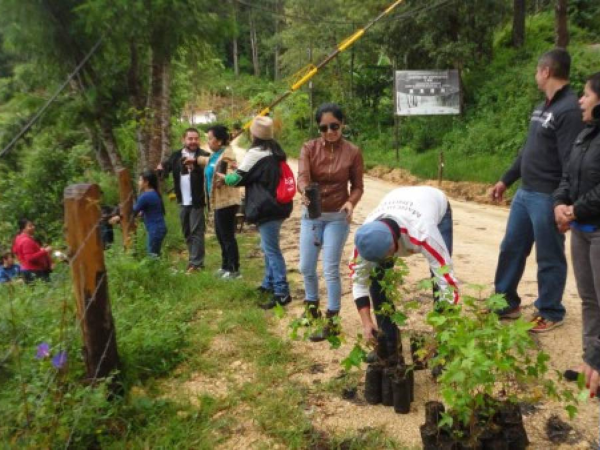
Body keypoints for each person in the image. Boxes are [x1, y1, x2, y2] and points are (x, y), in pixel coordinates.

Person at [489, 48, 585, 332]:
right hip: (525, 193)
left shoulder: (569, 110)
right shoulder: (543, 106)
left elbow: (572, 159)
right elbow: (529, 151)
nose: (535, 75)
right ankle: (505, 301)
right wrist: (506, 179)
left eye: (537, 71)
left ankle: (551, 310)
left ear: (546, 72)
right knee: (511, 247)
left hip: (547, 195)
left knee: (549, 255)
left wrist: (564, 201)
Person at [351, 186, 458, 363]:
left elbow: (446, 279)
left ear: (394, 245)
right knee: (377, 279)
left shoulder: (423, 232)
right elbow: (359, 282)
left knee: (438, 279)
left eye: (386, 256)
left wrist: (444, 327)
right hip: (396, 198)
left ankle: (443, 347)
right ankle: (389, 344)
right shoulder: (365, 239)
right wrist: (366, 322)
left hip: (434, 204)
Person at [297, 103, 364, 342]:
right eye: (323, 128)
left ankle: (332, 320)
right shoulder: (309, 148)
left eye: (334, 126)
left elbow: (357, 186)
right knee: (305, 267)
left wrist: (351, 203)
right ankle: (311, 307)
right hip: (312, 214)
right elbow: (303, 176)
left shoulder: (353, 152)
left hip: (337, 216)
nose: (329, 132)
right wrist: (304, 191)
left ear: (342, 124)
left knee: (330, 269)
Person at [553, 72, 600, 380]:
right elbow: (568, 176)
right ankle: (590, 362)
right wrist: (560, 203)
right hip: (580, 230)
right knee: (589, 299)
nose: (580, 100)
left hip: (595, 228)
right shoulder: (585, 135)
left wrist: (575, 210)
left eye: (586, 94)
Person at [218, 116, 293, 309]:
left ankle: (282, 292)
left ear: (254, 134)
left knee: (271, 249)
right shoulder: (274, 150)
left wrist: (224, 177)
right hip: (277, 205)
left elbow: (236, 180)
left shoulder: (256, 153)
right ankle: (268, 284)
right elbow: (256, 174)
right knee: (267, 246)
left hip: (266, 207)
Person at [186, 124, 241, 279]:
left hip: (227, 201)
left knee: (227, 236)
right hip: (217, 202)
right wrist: (194, 161)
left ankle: (234, 269)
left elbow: (232, 172)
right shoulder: (215, 155)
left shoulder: (227, 156)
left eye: (210, 139)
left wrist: (224, 179)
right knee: (220, 234)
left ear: (219, 141)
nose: (208, 142)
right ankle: (225, 266)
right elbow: (206, 161)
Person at [158, 128, 210, 273]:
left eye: (196, 138)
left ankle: (197, 263)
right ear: (184, 140)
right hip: (182, 200)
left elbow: (209, 173)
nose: (193, 141)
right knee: (187, 231)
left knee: (196, 231)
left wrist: (196, 167)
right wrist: (161, 168)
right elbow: (165, 169)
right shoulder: (176, 156)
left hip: (197, 200)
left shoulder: (204, 156)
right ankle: (193, 260)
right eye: (190, 138)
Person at [113, 170, 168, 257]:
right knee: (155, 254)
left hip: (155, 230)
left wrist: (118, 217)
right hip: (159, 228)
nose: (138, 182)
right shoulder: (154, 193)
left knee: (152, 256)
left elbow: (132, 212)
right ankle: (158, 269)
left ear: (146, 182)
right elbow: (150, 209)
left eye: (140, 180)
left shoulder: (145, 196)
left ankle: (155, 270)